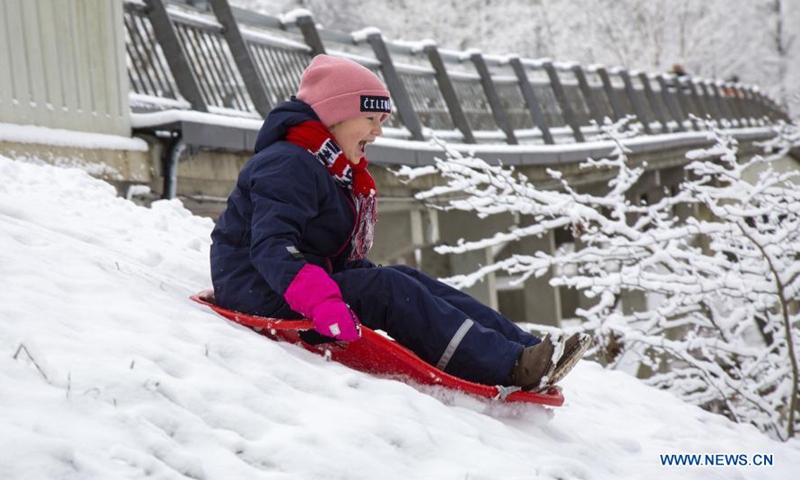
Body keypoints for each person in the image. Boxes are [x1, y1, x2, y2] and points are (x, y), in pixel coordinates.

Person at [210, 54, 590, 390]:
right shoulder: (288, 164)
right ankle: (508, 366)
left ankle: (524, 348)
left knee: (406, 278)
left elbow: (324, 249)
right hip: (258, 288)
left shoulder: (325, 166)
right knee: (389, 288)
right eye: (371, 119)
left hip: (288, 283)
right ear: (335, 117)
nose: (378, 131)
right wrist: (323, 303)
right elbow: (273, 247)